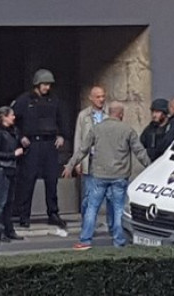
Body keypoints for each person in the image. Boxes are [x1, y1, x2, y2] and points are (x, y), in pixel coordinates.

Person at [62, 101, 151, 250]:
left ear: (109, 113)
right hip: (120, 175)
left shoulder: (97, 128)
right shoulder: (127, 130)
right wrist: (151, 168)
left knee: (92, 208)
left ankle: (85, 240)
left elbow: (83, 149)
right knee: (118, 209)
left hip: (99, 175)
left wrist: (70, 165)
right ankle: (119, 241)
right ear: (121, 114)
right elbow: (139, 152)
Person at [12, 68, 69, 229]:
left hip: (49, 144)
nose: (47, 87)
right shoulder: (24, 100)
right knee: (28, 180)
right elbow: (13, 121)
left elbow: (62, 119)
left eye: (49, 85)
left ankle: (53, 213)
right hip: (32, 144)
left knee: (52, 180)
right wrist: (20, 137)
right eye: (44, 84)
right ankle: (24, 215)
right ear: (37, 84)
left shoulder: (54, 100)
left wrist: (62, 136)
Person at [73, 86, 114, 232]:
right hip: (90, 159)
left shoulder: (110, 114)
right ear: (91, 98)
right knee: (89, 196)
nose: (101, 99)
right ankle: (88, 226)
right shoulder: (84, 116)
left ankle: (113, 226)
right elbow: (78, 138)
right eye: (98, 97)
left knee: (111, 195)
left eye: (103, 96)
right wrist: (77, 160)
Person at [0, 106, 25, 242]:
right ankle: (0, 232)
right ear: (4, 117)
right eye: (11, 115)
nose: (14, 117)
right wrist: (13, 154)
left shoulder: (14, 131)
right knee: (2, 202)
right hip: (2, 169)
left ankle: (9, 230)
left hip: (12, 168)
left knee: (10, 202)